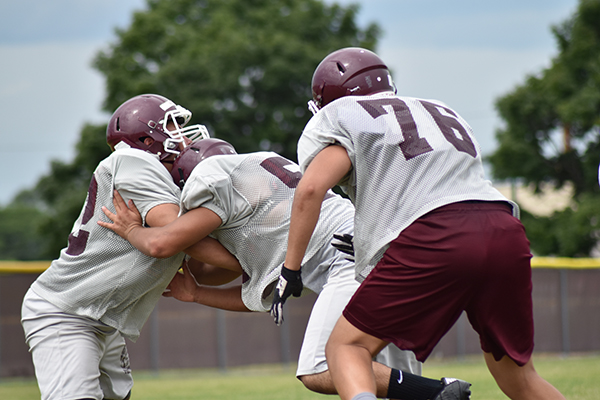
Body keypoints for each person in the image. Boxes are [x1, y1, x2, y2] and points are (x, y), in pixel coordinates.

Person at [273, 46, 567, 400]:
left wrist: (290, 269)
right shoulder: (439, 111)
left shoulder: (348, 118)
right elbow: (430, 185)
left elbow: (311, 189)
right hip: (503, 229)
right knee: (519, 378)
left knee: (344, 349)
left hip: (436, 235)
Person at [98, 138, 470, 399]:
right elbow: (259, 293)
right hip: (382, 251)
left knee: (321, 367)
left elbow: (167, 242)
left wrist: (133, 229)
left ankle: (440, 391)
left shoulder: (211, 176)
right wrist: (196, 293)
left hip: (350, 258)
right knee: (385, 385)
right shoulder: (264, 205)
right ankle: (438, 392)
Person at [21, 94, 238, 400]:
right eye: (172, 126)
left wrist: (248, 261)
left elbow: (202, 268)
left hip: (104, 317)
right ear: (146, 138)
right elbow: (170, 230)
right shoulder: (132, 160)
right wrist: (250, 256)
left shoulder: (170, 182)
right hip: (67, 311)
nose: (181, 135)